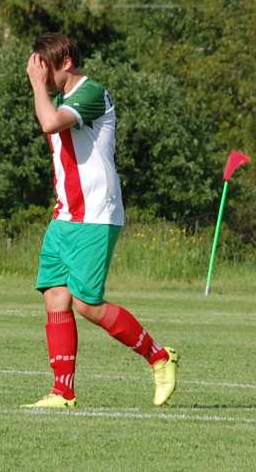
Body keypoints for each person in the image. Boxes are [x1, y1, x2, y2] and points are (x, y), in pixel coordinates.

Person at [21, 34, 180, 408]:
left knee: (86, 304)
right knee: (55, 296)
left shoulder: (90, 94)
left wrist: (35, 85)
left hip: (95, 213)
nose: (40, 77)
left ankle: (159, 357)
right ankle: (63, 392)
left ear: (66, 63)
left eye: (45, 68)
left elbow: (48, 123)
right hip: (66, 213)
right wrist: (41, 86)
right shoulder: (57, 96)